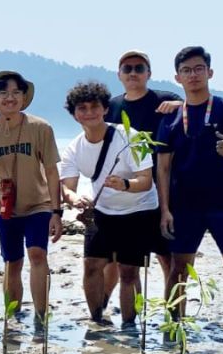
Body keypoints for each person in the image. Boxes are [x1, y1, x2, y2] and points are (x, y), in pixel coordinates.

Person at [156, 46, 223, 335]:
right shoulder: (171, 118)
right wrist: (164, 210)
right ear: (178, 78)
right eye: (187, 70)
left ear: (209, 73)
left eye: (199, 68)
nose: (193, 75)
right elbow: (162, 168)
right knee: (178, 271)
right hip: (184, 206)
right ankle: (172, 333)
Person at [58, 81, 159, 325]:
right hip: (102, 210)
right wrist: (74, 199)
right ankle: (96, 321)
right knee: (92, 265)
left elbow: (146, 181)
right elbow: (65, 187)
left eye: (95, 106)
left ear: (105, 109)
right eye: (82, 108)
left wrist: (125, 184)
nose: (89, 112)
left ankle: (129, 326)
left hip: (139, 209)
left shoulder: (131, 137)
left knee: (128, 271)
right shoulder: (74, 148)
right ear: (74, 114)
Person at [0, 71, 61, 323]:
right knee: (12, 262)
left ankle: (42, 318)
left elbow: (52, 172)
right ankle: (13, 318)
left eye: (16, 93)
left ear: (23, 97)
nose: (10, 98)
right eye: (4, 93)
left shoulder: (41, 128)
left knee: (37, 254)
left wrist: (56, 211)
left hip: (38, 204)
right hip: (5, 206)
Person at [98, 50, 182, 304]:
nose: (133, 73)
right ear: (119, 75)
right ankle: (102, 307)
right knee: (116, 259)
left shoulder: (165, 100)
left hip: (162, 191)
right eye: (128, 69)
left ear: (149, 74)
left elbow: (197, 106)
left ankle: (173, 315)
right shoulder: (111, 107)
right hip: (125, 194)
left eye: (139, 68)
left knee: (167, 257)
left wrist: (181, 105)